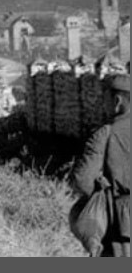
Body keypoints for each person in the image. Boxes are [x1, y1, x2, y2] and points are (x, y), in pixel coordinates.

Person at [71, 73, 130, 257]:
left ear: (117, 101)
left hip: (120, 224)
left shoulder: (106, 134)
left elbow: (82, 180)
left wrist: (100, 195)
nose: (102, 105)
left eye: (104, 100)